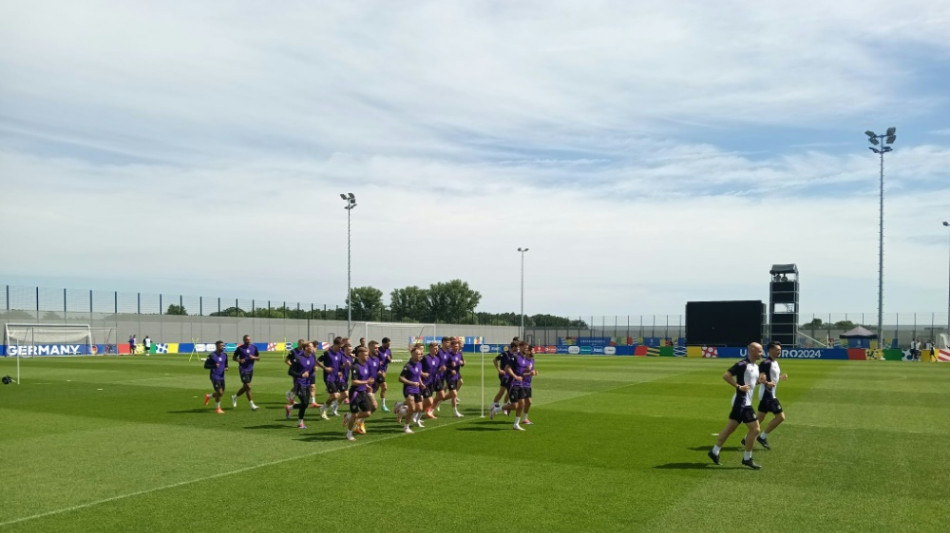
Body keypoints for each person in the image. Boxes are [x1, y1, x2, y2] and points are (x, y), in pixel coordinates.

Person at [708, 342, 766, 469]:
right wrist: (738, 386)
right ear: (751, 350)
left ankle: (714, 451)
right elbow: (726, 375)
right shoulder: (742, 364)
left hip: (744, 401)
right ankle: (747, 458)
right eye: (760, 351)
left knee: (730, 429)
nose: (762, 353)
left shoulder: (755, 367)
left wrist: (759, 382)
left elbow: (750, 384)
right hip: (742, 401)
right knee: (755, 429)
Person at [748, 341, 788, 450]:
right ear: (770, 350)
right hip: (768, 395)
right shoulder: (766, 363)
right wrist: (766, 383)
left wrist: (780, 377)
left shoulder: (775, 362)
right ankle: (762, 437)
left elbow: (771, 378)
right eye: (777, 350)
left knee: (759, 419)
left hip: (769, 394)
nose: (779, 351)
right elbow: (759, 379)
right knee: (780, 417)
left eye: (780, 350)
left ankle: (747, 438)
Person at [344, 346, 375, 441]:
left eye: (367, 355)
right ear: (360, 355)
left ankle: (348, 416)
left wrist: (367, 386)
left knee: (368, 413)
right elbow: (354, 382)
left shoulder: (366, 365)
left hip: (363, 391)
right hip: (355, 393)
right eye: (365, 355)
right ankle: (349, 433)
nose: (367, 357)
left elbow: (363, 379)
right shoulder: (355, 366)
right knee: (355, 414)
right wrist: (366, 382)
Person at [285, 341, 317, 429]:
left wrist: (313, 370)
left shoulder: (313, 357)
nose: (313, 348)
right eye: (311, 347)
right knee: (305, 402)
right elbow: (290, 371)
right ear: (306, 348)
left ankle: (290, 407)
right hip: (299, 383)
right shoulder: (298, 358)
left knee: (305, 404)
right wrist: (301, 375)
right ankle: (300, 422)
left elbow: (311, 369)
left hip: (307, 383)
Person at [395, 346, 425, 434]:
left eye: (420, 354)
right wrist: (412, 383)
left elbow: (418, 374)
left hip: (417, 389)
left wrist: (421, 383)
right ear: (412, 354)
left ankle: (401, 411)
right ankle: (406, 427)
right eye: (417, 354)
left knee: (419, 408)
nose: (419, 355)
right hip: (408, 389)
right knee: (412, 409)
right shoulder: (407, 366)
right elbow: (400, 378)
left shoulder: (419, 364)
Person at [317, 337, 345, 419]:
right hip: (329, 377)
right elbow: (318, 361)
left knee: (332, 397)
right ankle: (324, 409)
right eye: (340, 346)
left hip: (336, 378)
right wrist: (325, 368)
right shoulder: (327, 353)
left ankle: (323, 409)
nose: (341, 348)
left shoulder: (340, 353)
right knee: (335, 396)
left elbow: (340, 365)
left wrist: (342, 369)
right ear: (336, 344)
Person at [489, 341, 520, 417]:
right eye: (518, 347)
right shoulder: (505, 354)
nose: (518, 349)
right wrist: (499, 369)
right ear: (513, 347)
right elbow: (495, 360)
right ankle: (497, 405)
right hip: (504, 375)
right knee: (503, 391)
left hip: (511, 376)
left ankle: (502, 405)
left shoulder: (516, 355)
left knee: (506, 391)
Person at [231, 334, 260, 410]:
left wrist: (253, 357)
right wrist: (239, 360)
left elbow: (258, 358)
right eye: (247, 339)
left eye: (249, 339)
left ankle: (235, 397)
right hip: (243, 369)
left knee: (245, 387)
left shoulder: (254, 347)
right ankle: (252, 405)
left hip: (250, 370)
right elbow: (233, 358)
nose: (248, 340)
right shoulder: (240, 348)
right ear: (244, 340)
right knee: (248, 386)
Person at [202, 341, 229, 414]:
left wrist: (226, 367)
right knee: (219, 392)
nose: (222, 347)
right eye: (221, 346)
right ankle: (218, 409)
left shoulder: (225, 355)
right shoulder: (212, 355)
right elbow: (205, 366)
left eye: (223, 346)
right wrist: (214, 366)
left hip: (222, 377)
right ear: (217, 346)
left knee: (221, 393)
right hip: (214, 376)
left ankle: (209, 396)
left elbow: (226, 364)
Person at [444, 339, 465, 417]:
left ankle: (437, 400)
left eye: (457, 346)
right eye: (455, 346)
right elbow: (444, 365)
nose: (456, 347)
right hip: (449, 376)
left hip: (456, 376)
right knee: (454, 394)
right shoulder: (448, 355)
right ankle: (455, 411)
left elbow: (461, 363)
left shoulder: (459, 354)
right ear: (452, 346)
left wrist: (462, 363)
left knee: (453, 395)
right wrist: (450, 370)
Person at [284, 339, 305, 403]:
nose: (301, 345)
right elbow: (286, 360)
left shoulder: (304, 351)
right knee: (297, 385)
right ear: (298, 343)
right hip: (295, 371)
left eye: (302, 344)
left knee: (300, 385)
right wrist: (292, 366)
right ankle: (292, 399)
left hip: (302, 370)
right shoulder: (293, 351)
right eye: (300, 343)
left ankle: (289, 393)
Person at [521, 344, 538, 425]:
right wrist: (529, 373)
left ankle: (525, 419)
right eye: (533, 350)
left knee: (528, 402)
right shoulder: (523, 361)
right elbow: (519, 374)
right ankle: (498, 409)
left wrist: (534, 372)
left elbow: (532, 370)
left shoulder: (532, 360)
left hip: (528, 384)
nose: (534, 352)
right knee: (520, 404)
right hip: (521, 383)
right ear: (528, 351)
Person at [377, 337, 393, 412]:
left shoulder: (389, 350)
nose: (389, 345)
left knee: (376, 388)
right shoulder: (378, 350)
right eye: (387, 344)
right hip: (377, 372)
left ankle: (365, 399)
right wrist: (378, 363)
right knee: (384, 386)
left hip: (383, 372)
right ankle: (383, 405)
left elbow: (390, 361)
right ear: (383, 343)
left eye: (389, 344)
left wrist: (389, 359)